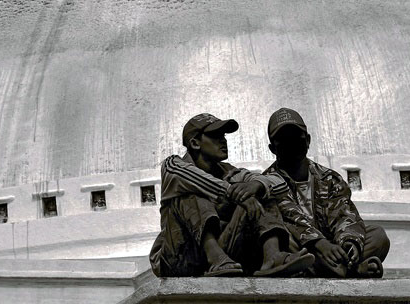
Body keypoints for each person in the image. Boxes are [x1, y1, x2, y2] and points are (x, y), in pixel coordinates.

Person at [149, 112, 315, 278]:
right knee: (190, 193)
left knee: (261, 191)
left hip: (222, 261)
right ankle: (215, 256)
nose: (223, 140)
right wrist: (234, 193)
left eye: (223, 136)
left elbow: (280, 184)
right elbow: (193, 178)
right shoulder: (173, 165)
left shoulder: (229, 172)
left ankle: (272, 257)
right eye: (215, 136)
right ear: (194, 143)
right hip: (178, 258)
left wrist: (256, 186)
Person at [263, 108, 390, 278]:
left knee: (378, 236)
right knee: (282, 241)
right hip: (299, 248)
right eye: (284, 140)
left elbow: (345, 215)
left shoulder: (329, 178)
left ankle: (337, 267)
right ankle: (351, 271)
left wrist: (349, 242)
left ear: (307, 140)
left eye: (296, 138)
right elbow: (289, 219)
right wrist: (320, 244)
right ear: (273, 148)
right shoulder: (265, 182)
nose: (292, 144)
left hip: (331, 248)